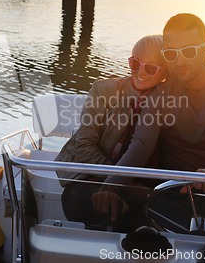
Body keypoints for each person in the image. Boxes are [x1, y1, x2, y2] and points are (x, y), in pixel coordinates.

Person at [94, 13, 205, 239]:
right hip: (171, 197)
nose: (180, 62)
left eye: (189, 51)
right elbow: (141, 145)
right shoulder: (159, 96)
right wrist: (110, 185)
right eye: (171, 54)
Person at [55, 34, 167, 231]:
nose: (140, 72)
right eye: (135, 63)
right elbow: (84, 148)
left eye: (150, 67)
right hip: (91, 175)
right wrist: (123, 183)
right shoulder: (103, 90)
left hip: (138, 183)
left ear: (164, 72)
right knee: (84, 201)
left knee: (153, 216)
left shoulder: (168, 99)